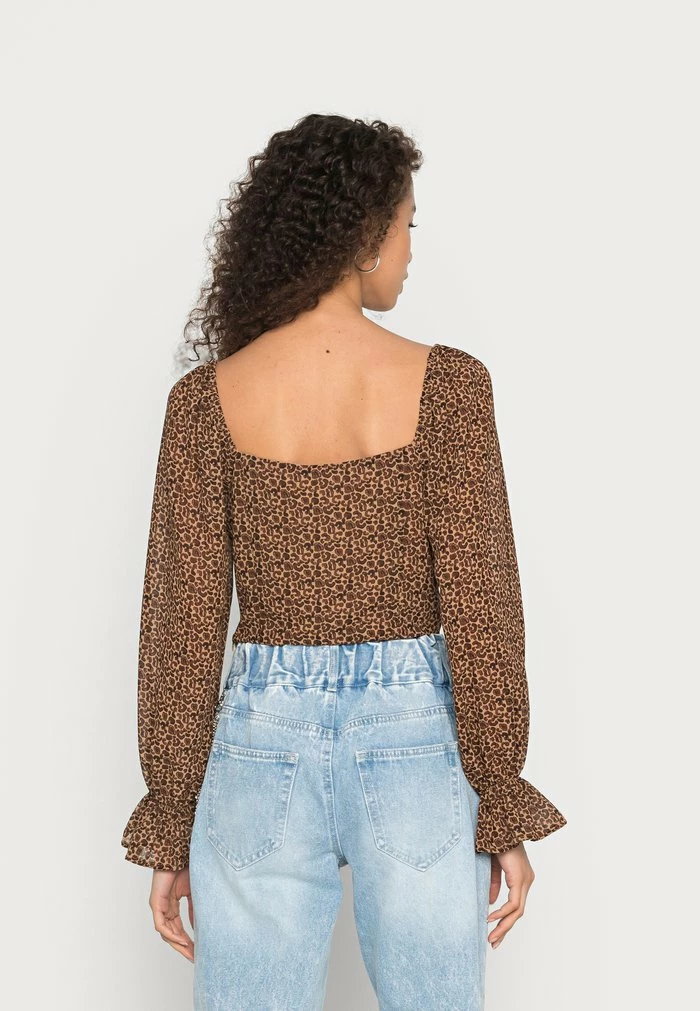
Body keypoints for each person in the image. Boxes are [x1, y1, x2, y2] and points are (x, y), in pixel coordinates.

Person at [121, 113, 567, 1010]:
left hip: (258, 739)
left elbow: (183, 628)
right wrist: (499, 794)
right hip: (416, 733)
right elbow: (482, 609)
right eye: (406, 224)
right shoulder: (448, 386)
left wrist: (173, 818)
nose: (410, 248)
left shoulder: (206, 401)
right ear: (362, 236)